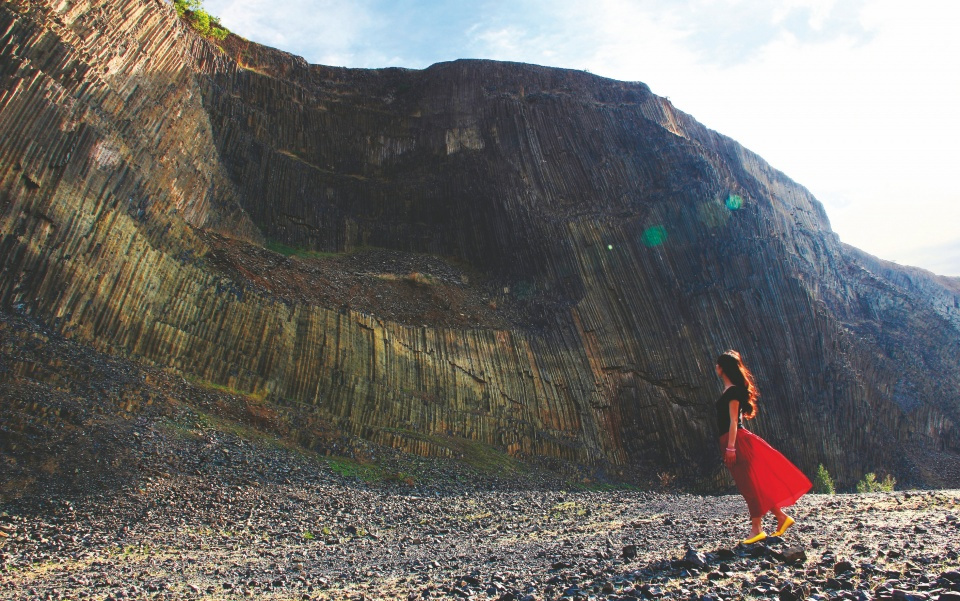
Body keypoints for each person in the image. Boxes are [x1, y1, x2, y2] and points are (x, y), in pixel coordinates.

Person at [715, 350, 811, 544]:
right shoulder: (730, 391)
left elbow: (734, 421)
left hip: (735, 441)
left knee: (748, 485)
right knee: (753, 483)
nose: (715, 367)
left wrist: (731, 447)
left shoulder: (732, 392)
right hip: (732, 440)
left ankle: (757, 529)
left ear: (723, 368)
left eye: (718, 364)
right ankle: (782, 518)